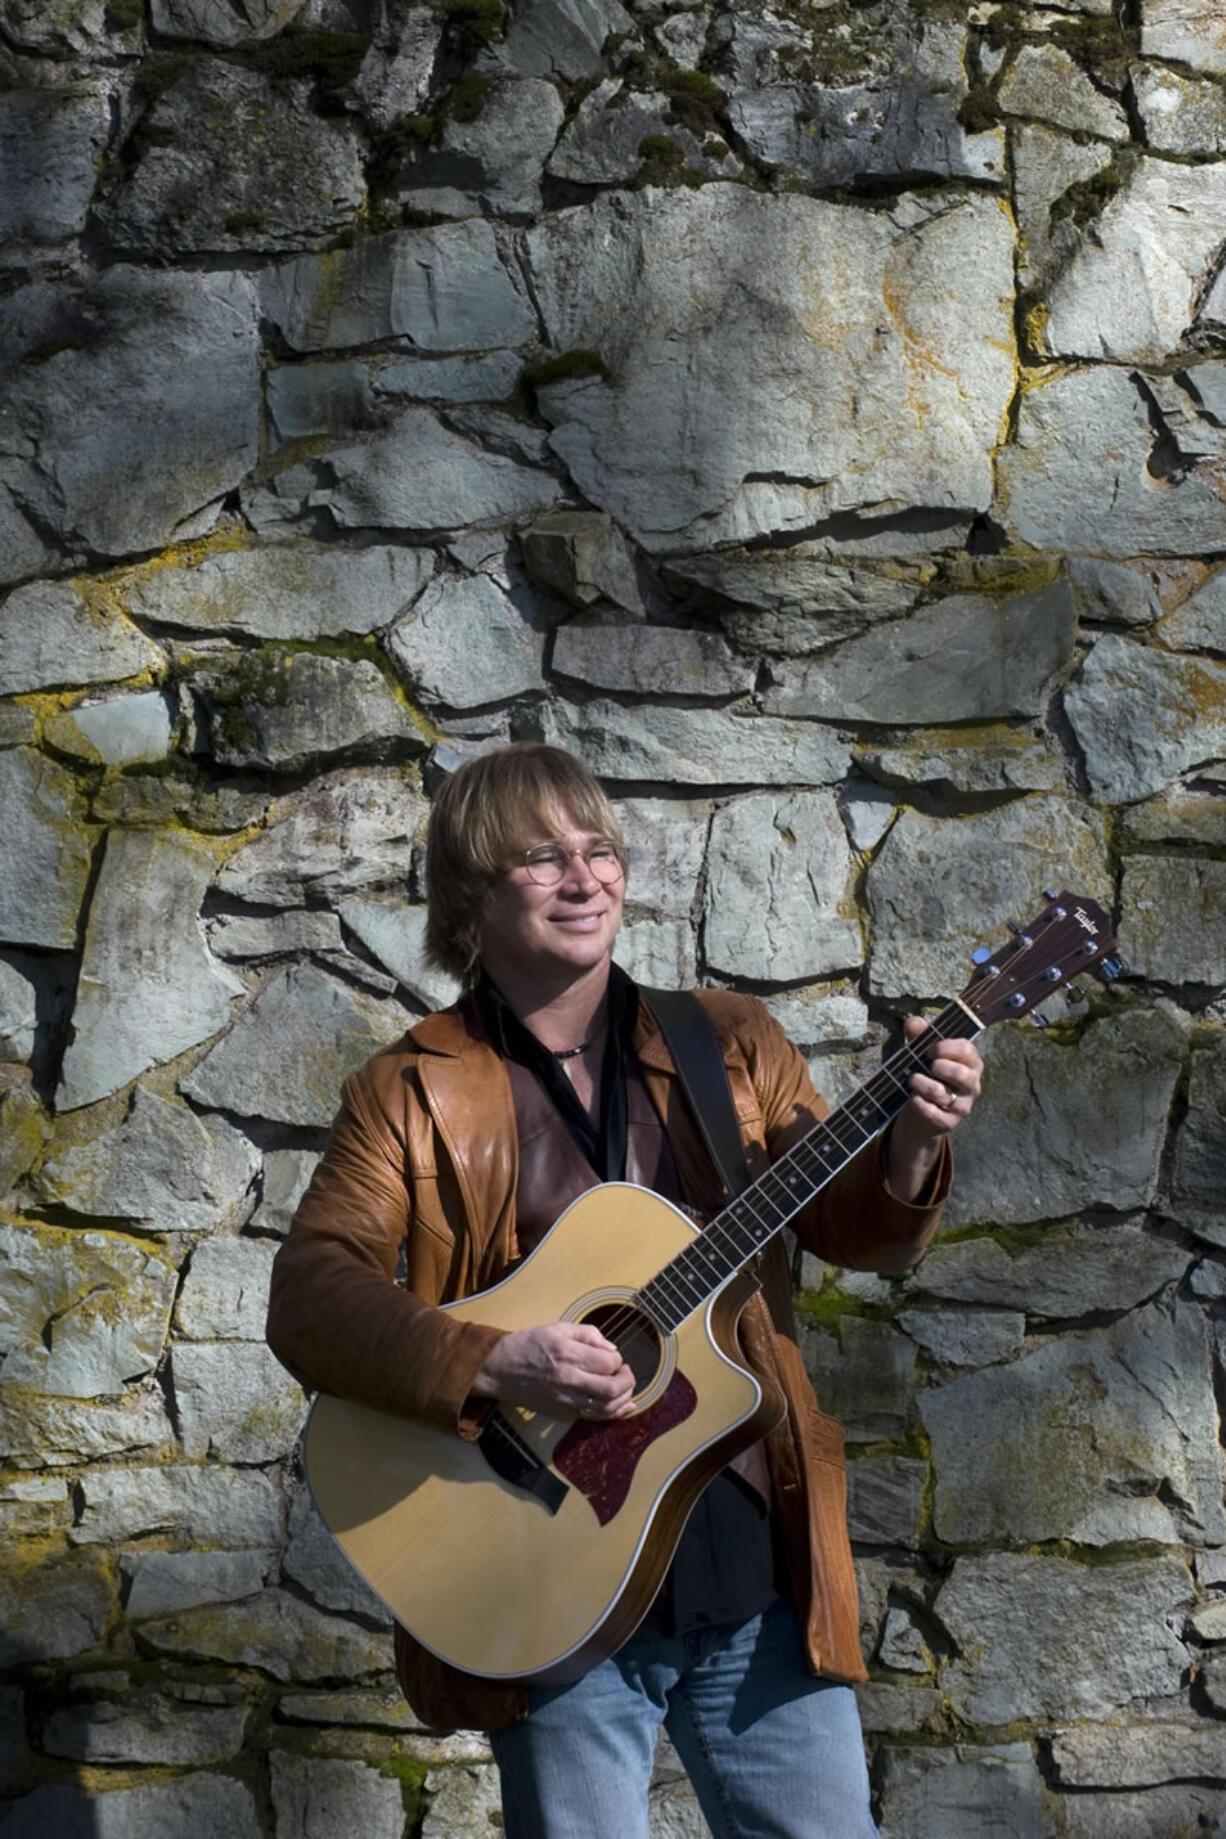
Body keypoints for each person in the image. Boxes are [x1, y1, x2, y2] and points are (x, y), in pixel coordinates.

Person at [266, 742, 983, 1839]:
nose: (584, 878)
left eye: (598, 852)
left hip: (748, 1558)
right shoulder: (409, 1093)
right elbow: (309, 1297)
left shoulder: (729, 1046)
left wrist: (911, 1147)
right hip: (542, 1570)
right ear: (469, 899)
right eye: (541, 860)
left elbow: (853, 1231)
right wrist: (491, 1360)